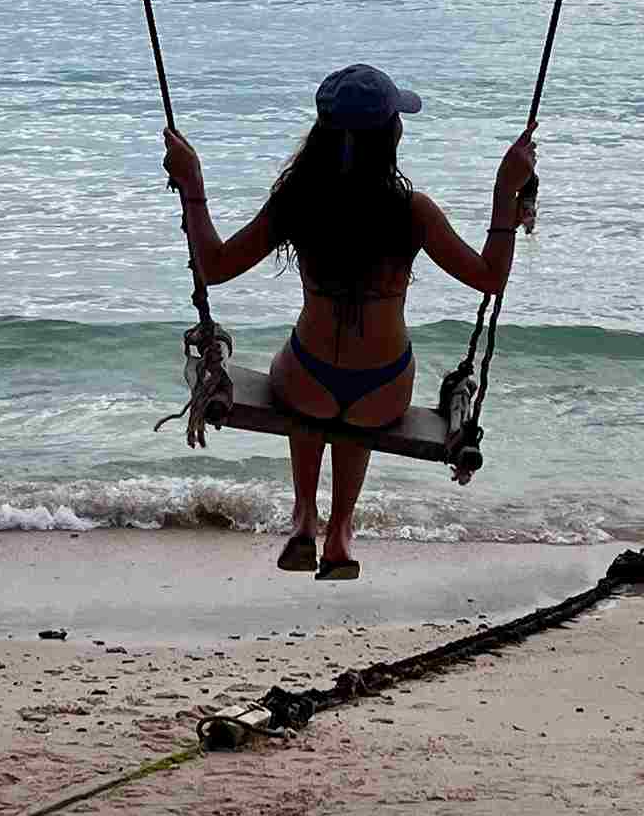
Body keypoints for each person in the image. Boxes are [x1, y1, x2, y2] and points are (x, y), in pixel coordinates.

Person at [161, 64, 534, 583]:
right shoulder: (413, 212)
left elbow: (215, 266)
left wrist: (194, 182)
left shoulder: (299, 201)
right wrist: (505, 192)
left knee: (303, 385)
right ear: (390, 137)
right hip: (382, 389)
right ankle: (340, 532)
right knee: (357, 418)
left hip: (308, 377)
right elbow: (490, 278)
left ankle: (303, 519)